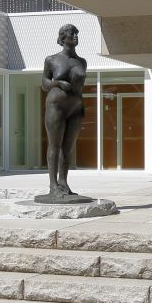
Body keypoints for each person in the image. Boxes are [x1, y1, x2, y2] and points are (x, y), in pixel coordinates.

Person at [41, 23, 88, 198]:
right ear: (62, 37)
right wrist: (57, 83)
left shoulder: (81, 61)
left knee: (67, 148)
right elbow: (44, 83)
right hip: (56, 106)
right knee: (54, 145)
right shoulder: (51, 60)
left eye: (76, 33)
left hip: (75, 107)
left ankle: (63, 182)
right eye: (71, 33)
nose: (75, 36)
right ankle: (53, 185)